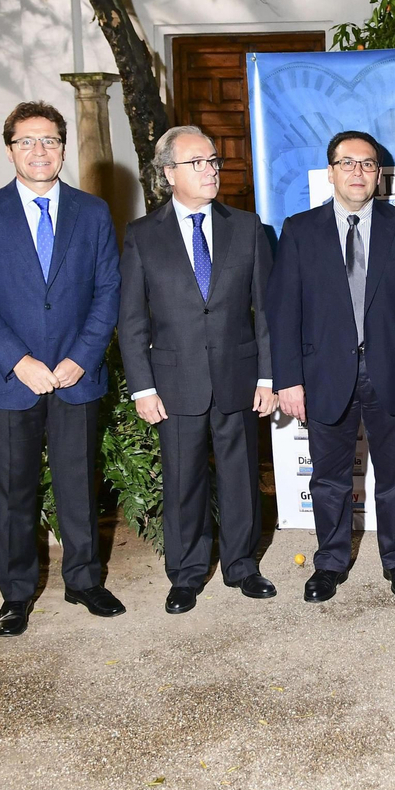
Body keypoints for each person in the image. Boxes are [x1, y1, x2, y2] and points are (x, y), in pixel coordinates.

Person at [0, 101, 124, 635]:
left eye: (49, 140)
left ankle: (84, 581)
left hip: (77, 375)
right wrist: (19, 360)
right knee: (14, 489)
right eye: (26, 141)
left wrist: (80, 358)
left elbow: (108, 292)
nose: (39, 150)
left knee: (79, 483)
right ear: (9, 149)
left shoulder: (92, 212)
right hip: (11, 379)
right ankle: (17, 593)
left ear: (64, 148)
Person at [267, 130, 395, 602]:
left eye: (367, 164)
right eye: (347, 163)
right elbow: (283, 313)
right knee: (328, 479)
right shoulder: (299, 230)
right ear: (330, 172)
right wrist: (288, 380)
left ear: (379, 174)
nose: (358, 172)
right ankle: (329, 563)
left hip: (394, 374)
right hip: (324, 375)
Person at [118, 125, 277, 614]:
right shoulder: (143, 236)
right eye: (198, 163)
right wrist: (142, 387)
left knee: (239, 477)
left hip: (238, 377)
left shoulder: (248, 228)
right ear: (169, 173)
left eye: (214, 161)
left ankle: (241, 566)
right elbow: (131, 319)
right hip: (174, 382)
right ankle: (185, 574)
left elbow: (267, 310)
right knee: (183, 481)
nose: (211, 170)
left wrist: (269, 377)